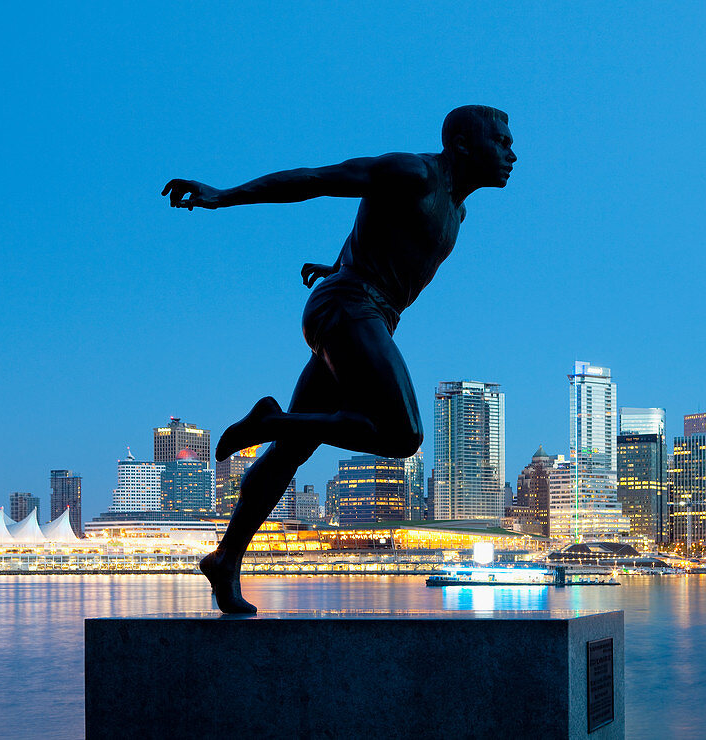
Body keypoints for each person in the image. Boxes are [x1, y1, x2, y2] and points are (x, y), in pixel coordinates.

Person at [162, 106, 516, 613]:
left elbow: (378, 242)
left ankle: (225, 559)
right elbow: (316, 180)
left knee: (288, 453)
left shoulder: (457, 211)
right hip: (349, 308)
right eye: (501, 142)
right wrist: (223, 196)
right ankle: (272, 419)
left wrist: (337, 263)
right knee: (403, 435)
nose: (511, 154)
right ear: (462, 144)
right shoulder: (414, 173)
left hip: (362, 312)